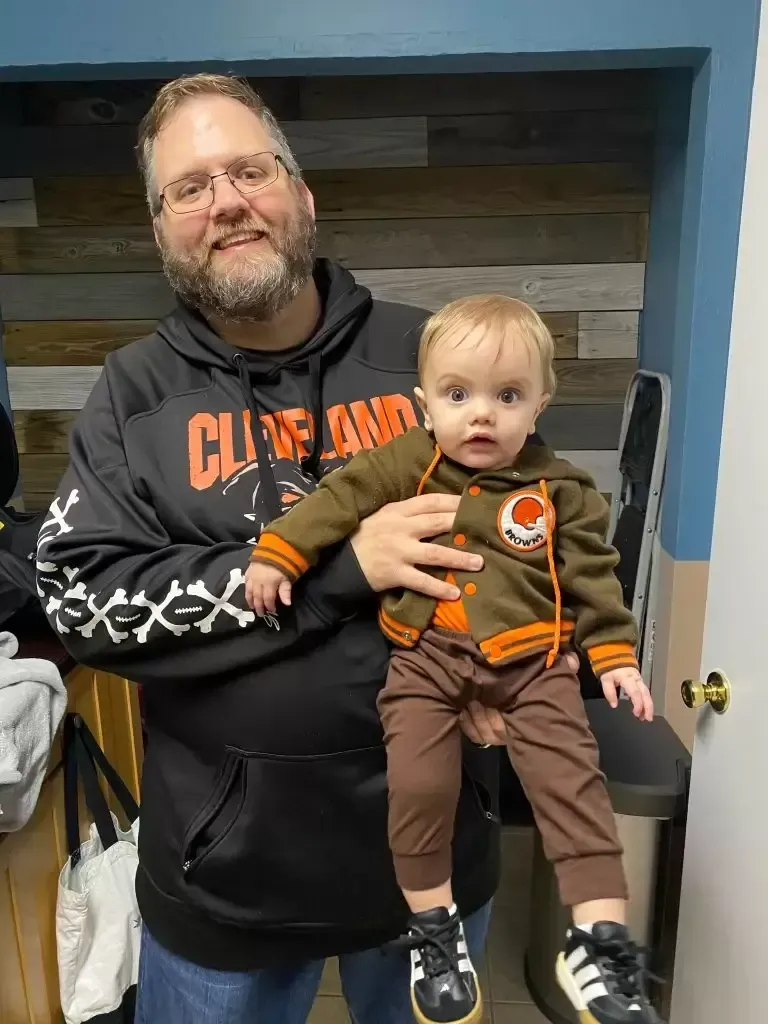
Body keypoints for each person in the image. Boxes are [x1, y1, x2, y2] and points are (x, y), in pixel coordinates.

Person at [34, 73, 514, 1024]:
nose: (224, 203)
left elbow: (530, 536)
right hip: (227, 888)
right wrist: (339, 572)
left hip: (431, 864)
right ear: (163, 228)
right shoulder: (133, 395)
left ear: (301, 195)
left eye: (247, 171)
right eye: (189, 188)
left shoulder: (431, 359)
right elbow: (81, 600)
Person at [246, 295, 664, 1024]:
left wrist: (615, 657)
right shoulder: (409, 461)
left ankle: (598, 943)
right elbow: (339, 499)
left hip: (534, 663)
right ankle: (434, 931)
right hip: (424, 659)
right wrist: (281, 550)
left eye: (507, 397)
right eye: (458, 394)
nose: (482, 415)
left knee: (574, 789)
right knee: (418, 786)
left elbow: (595, 578)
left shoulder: (564, 491)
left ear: (538, 407)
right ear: (425, 403)